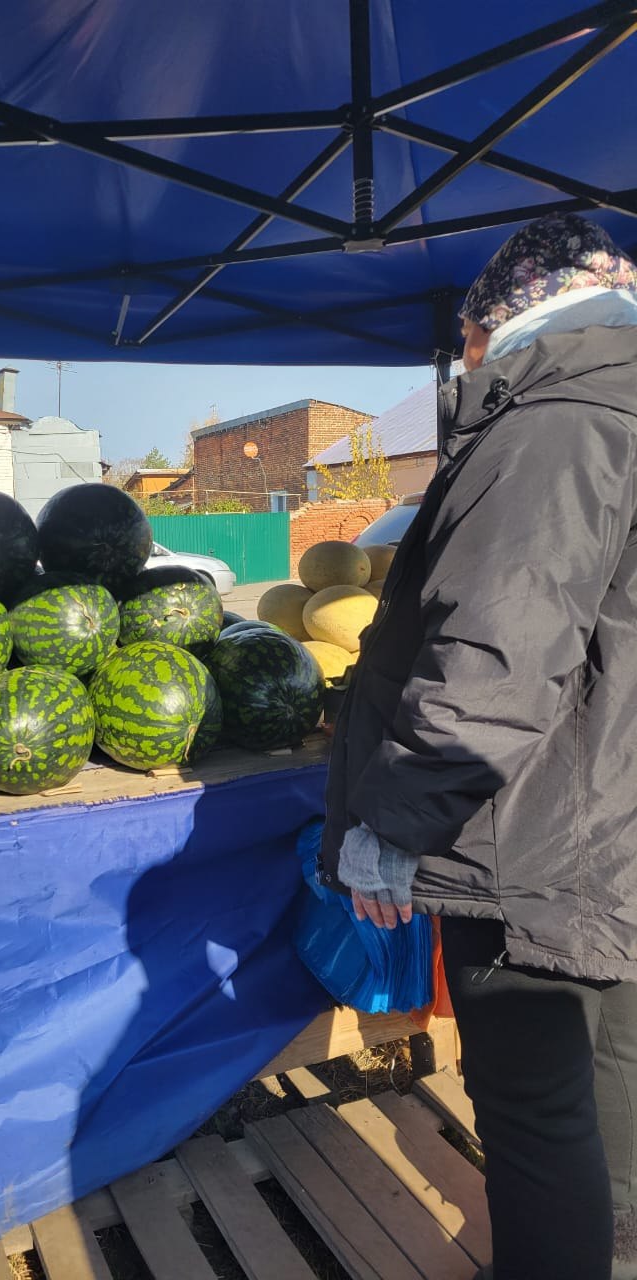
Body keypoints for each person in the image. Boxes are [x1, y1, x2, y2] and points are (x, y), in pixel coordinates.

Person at [318, 212, 637, 1280]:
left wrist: (393, 821)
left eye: (466, 335)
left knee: (536, 1116)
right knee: (610, 1094)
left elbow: (496, 649)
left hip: (539, 844)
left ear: (500, 315)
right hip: (611, 826)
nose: (464, 359)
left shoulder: (559, 419)